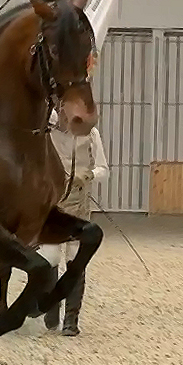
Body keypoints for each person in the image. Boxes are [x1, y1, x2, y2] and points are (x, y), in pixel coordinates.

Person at [39, 105, 108, 336]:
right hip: (51, 204)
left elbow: (103, 169)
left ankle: (71, 319)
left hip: (78, 204)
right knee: (50, 257)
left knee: (74, 259)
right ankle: (51, 308)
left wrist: (89, 175)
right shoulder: (46, 134)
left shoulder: (91, 134)